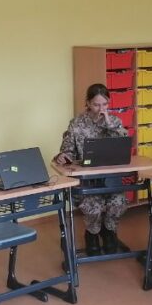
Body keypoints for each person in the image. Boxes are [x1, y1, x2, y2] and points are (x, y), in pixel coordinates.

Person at [53, 83, 130, 255]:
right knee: (93, 206)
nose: (101, 109)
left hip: (110, 180)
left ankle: (109, 231)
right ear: (88, 103)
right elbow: (67, 150)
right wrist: (63, 156)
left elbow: (124, 144)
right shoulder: (77, 123)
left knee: (119, 203)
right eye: (96, 104)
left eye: (105, 104)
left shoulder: (115, 122)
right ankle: (92, 233)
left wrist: (109, 124)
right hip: (87, 180)